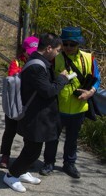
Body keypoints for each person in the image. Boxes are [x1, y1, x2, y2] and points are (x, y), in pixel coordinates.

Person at [3, 33, 69, 193]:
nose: (58, 53)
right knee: (33, 151)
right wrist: (62, 79)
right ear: (49, 48)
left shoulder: (38, 63)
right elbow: (48, 91)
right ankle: (11, 175)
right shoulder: (36, 66)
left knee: (31, 147)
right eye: (58, 50)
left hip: (39, 115)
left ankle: (22, 171)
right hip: (35, 117)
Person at [40, 27, 101, 178]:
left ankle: (69, 164)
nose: (68, 47)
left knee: (72, 139)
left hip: (79, 107)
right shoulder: (55, 57)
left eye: (72, 44)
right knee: (52, 137)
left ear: (78, 44)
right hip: (58, 106)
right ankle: (49, 162)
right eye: (65, 44)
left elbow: (97, 79)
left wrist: (90, 92)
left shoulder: (89, 58)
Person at [0, 36, 39, 169]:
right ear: (24, 51)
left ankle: (26, 158)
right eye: (30, 51)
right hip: (15, 103)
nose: (32, 54)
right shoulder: (16, 63)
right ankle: (5, 154)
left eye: (35, 51)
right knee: (10, 130)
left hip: (31, 104)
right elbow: (13, 78)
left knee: (28, 134)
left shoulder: (40, 63)